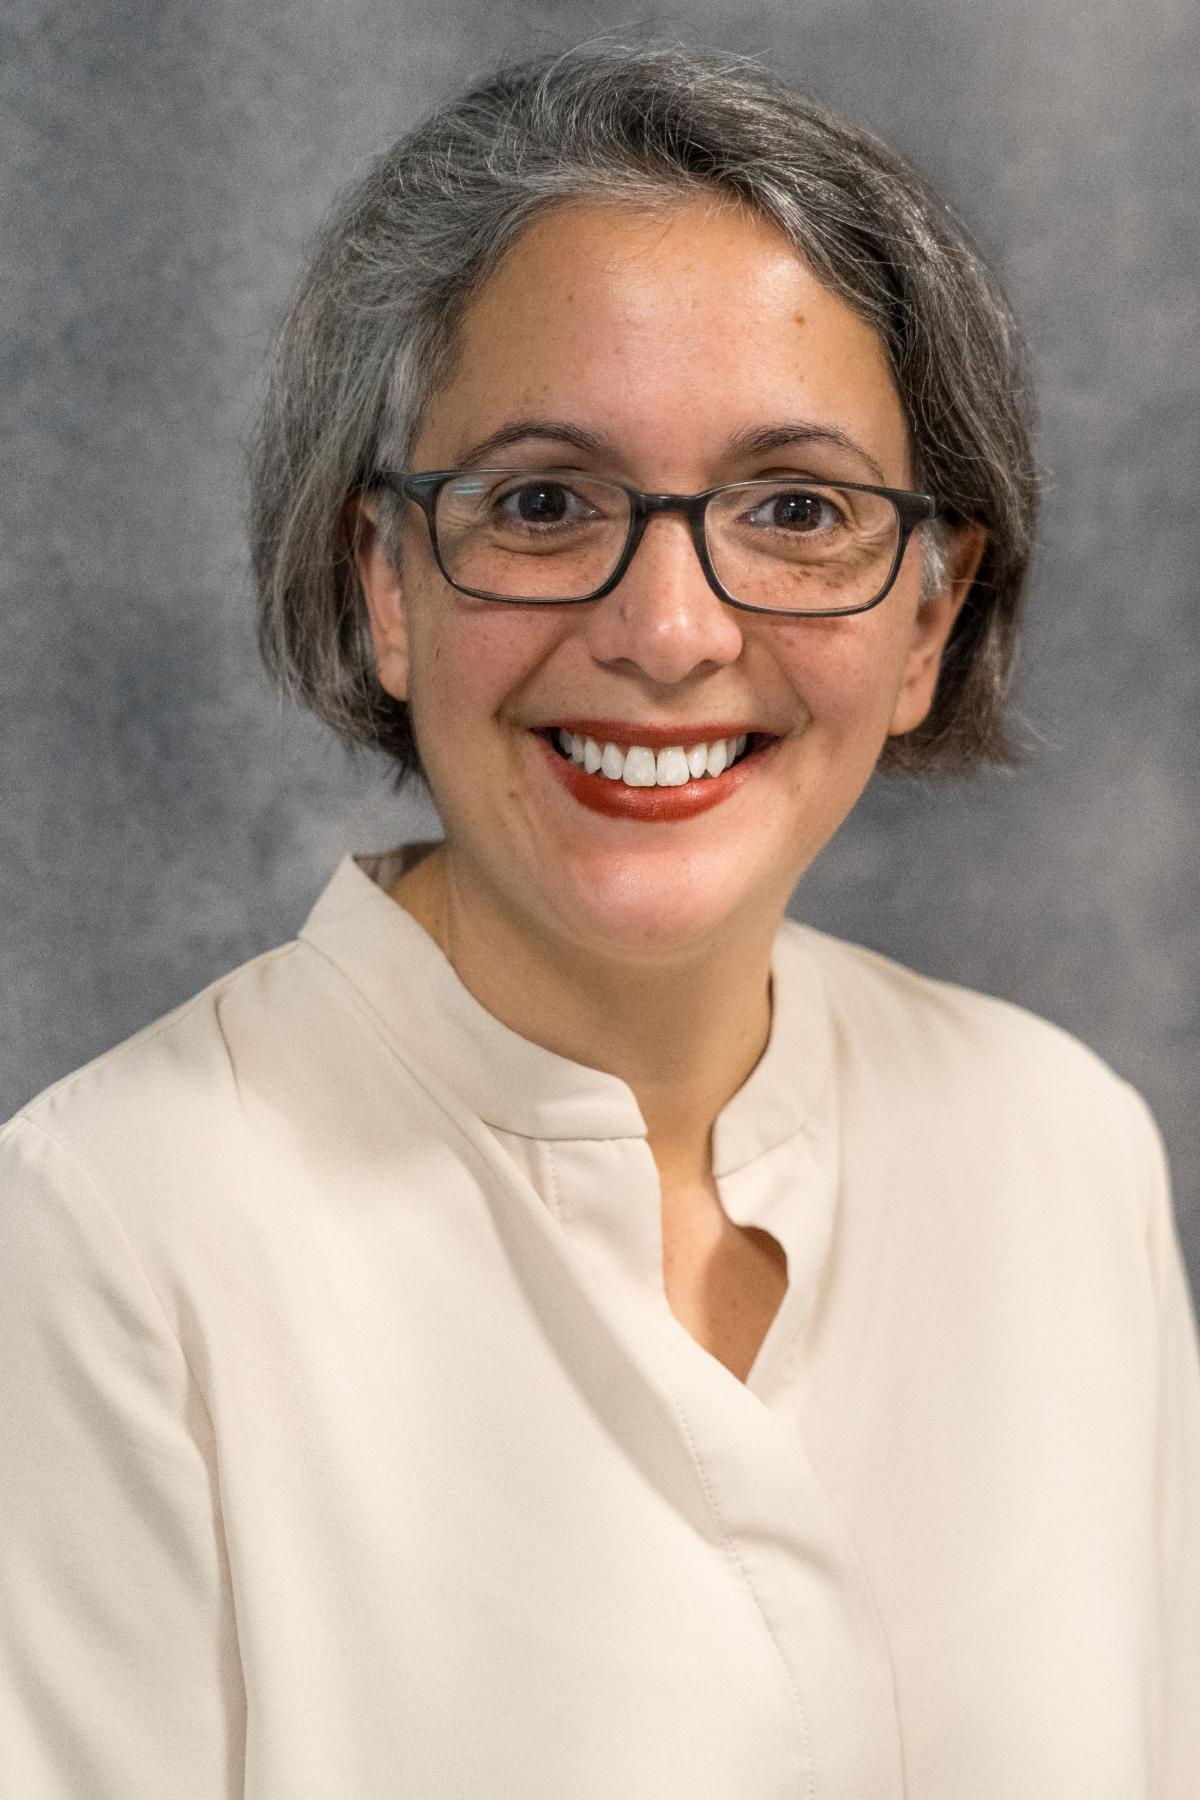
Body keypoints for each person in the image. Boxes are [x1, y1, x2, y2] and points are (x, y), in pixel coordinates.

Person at [2, 42, 1197, 1800]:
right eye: (546, 501)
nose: (669, 630)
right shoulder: (111, 1236)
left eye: (796, 510)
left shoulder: (1062, 1152)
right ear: (385, 584)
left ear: (930, 617)